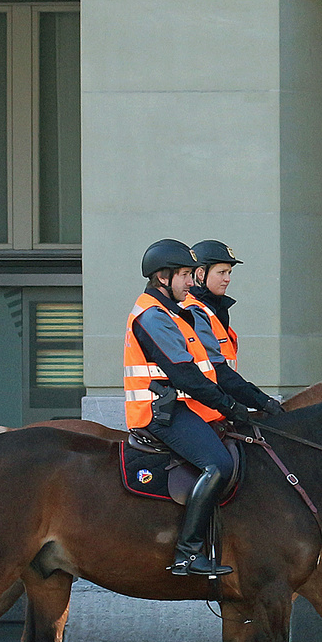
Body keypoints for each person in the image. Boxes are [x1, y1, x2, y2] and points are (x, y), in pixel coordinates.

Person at [123, 239, 277, 576]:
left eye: (193, 275)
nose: (192, 283)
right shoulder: (152, 316)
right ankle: (187, 553)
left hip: (177, 407)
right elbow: (185, 376)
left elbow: (215, 371)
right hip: (158, 412)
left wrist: (257, 402)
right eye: (185, 276)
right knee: (218, 463)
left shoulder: (175, 314)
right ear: (163, 278)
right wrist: (229, 405)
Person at [187, 239, 284, 410]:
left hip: (216, 403)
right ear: (201, 274)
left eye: (229, 272)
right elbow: (218, 371)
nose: (227, 279)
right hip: (200, 408)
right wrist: (261, 401)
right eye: (222, 272)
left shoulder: (214, 309)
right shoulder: (193, 311)